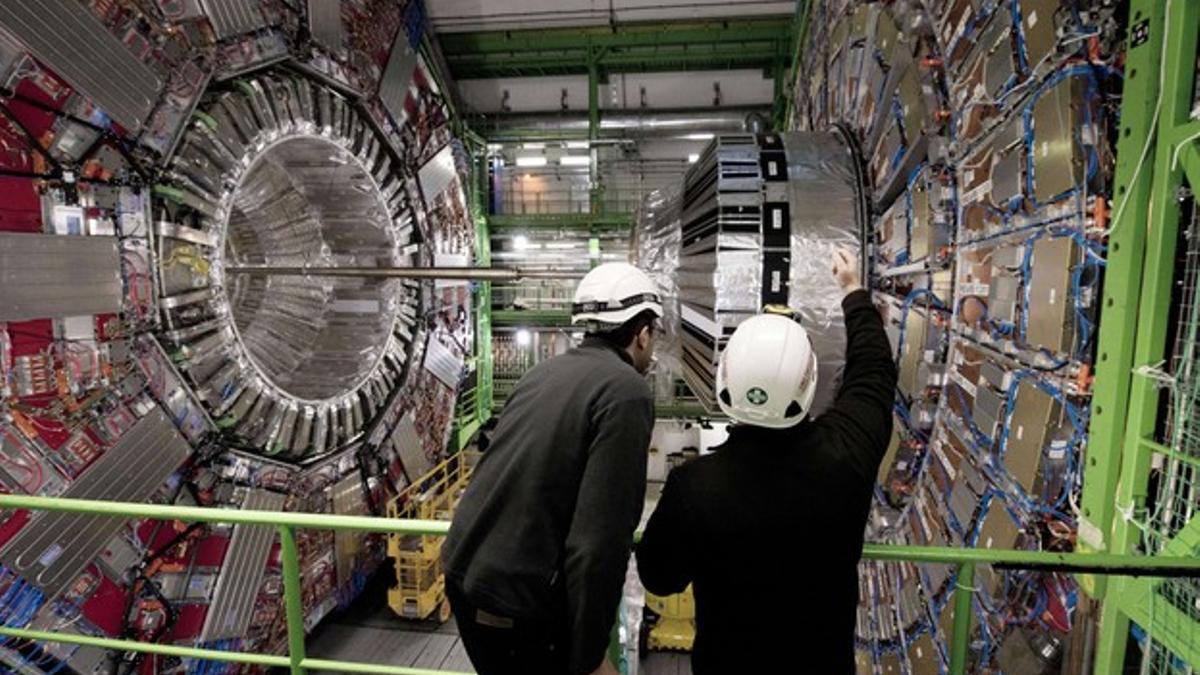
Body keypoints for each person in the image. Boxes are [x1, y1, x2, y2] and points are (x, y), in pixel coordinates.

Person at [635, 248, 896, 673]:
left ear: (725, 383)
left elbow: (659, 577)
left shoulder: (696, 487)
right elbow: (875, 371)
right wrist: (852, 290)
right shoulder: (847, 454)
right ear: (808, 380)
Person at [442, 262, 662, 675]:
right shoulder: (626, 391)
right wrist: (591, 655)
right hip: (514, 603)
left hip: (463, 571)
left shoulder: (542, 372)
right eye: (654, 336)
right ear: (642, 333)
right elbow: (599, 540)